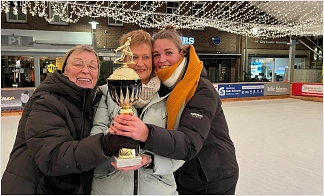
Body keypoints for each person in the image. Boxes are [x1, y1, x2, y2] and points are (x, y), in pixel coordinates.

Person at [110, 25, 239, 195]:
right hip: (182, 173)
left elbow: (189, 142)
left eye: (168, 53)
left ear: (182, 53)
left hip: (212, 176)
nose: (162, 59)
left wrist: (147, 133)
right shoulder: (165, 86)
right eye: (156, 55)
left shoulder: (200, 88)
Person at [1, 44, 139, 194]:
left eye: (92, 66)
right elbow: (53, 157)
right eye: (78, 64)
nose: (85, 70)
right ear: (64, 70)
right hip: (35, 188)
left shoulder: (91, 101)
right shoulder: (47, 101)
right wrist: (105, 144)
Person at [90, 29, 184, 195]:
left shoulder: (170, 96)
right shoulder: (107, 93)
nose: (140, 63)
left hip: (158, 188)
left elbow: (180, 147)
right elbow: (94, 139)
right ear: (124, 59)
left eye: (146, 57)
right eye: (133, 57)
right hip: (111, 187)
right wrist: (114, 137)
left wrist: (150, 160)